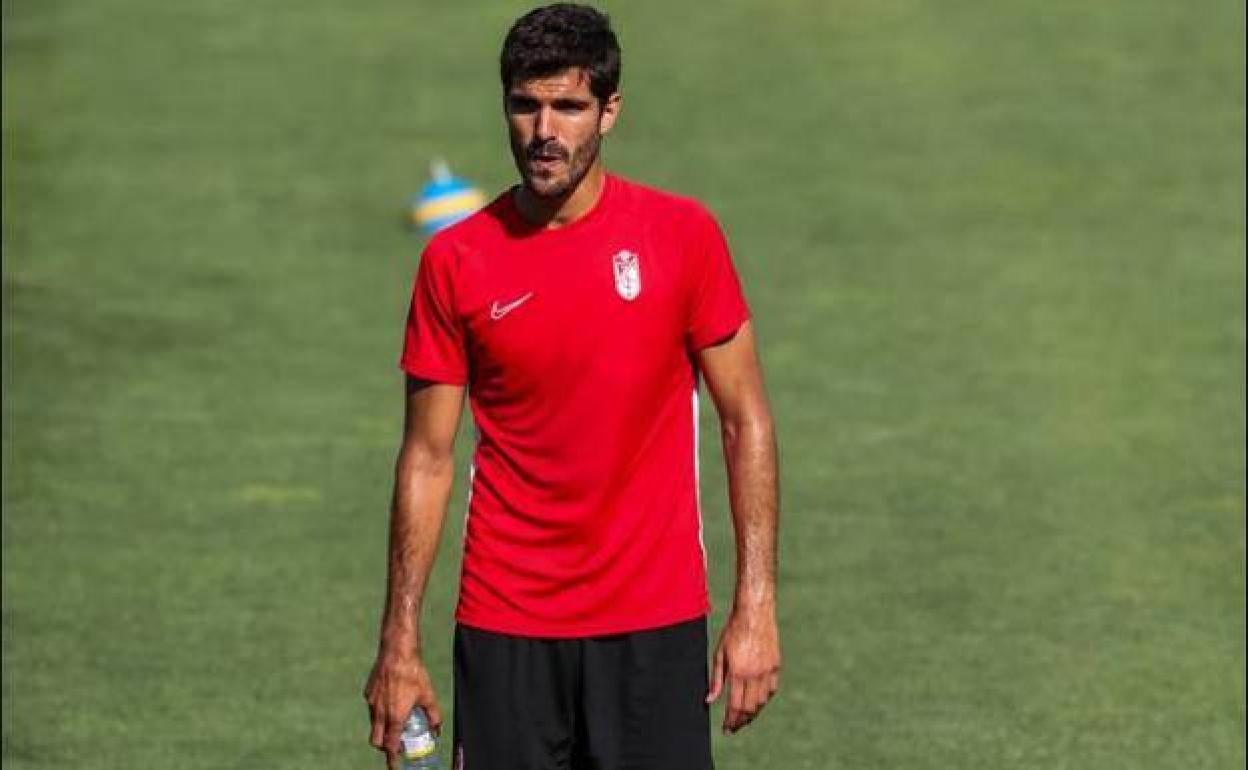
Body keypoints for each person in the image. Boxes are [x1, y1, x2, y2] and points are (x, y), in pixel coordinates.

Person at [364, 4, 781, 768]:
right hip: (506, 623)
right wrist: (399, 641)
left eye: (568, 106)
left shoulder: (682, 237)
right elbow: (426, 458)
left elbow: (743, 420)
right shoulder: (455, 262)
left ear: (609, 111)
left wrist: (755, 605)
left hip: (654, 624)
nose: (544, 130)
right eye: (525, 105)